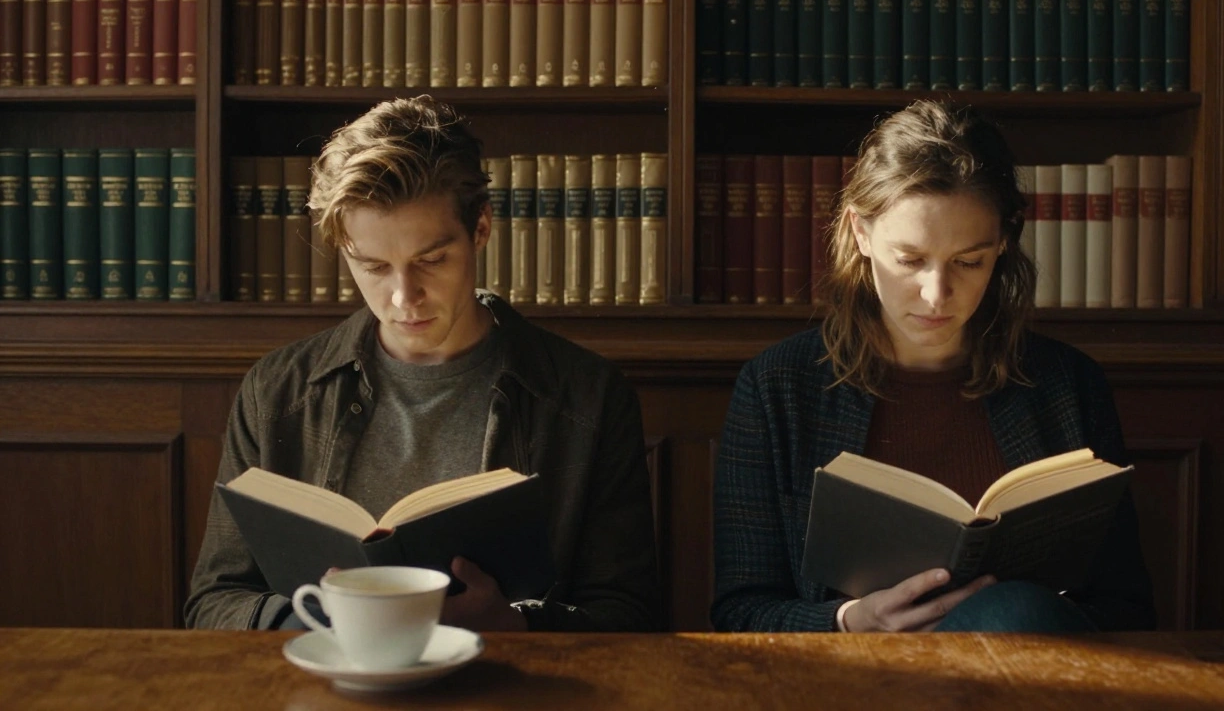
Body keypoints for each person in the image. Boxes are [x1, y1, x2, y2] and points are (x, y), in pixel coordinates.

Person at [185, 96, 659, 632]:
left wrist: (518, 628)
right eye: (374, 267)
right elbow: (213, 603)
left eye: (431, 260)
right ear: (344, 248)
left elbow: (630, 615)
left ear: (480, 228)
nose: (402, 298)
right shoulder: (277, 392)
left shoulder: (588, 397)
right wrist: (310, 619)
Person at [711, 100, 1156, 633]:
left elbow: (1127, 610)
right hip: (854, 685)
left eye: (969, 262)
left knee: (1014, 612)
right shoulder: (777, 387)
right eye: (910, 259)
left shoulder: (1067, 385)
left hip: (1030, 680)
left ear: (1004, 241)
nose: (936, 294)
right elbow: (741, 612)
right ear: (860, 232)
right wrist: (850, 621)